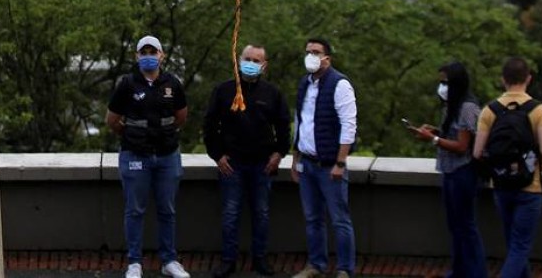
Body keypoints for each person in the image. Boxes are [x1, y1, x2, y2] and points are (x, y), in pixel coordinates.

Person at [202, 45, 292, 277]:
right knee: (231, 213)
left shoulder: (272, 93)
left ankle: (260, 259)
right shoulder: (223, 90)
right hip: (232, 164)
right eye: (247, 58)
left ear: (264, 65)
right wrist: (217, 155)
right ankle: (228, 261)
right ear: (238, 60)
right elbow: (209, 125)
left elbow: (284, 126)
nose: (250, 63)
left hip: (263, 165)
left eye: (256, 60)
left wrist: (279, 153)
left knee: (261, 213)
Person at [106, 36, 192, 278]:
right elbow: (112, 120)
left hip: (167, 156)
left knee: (167, 209)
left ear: (162, 55)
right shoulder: (127, 84)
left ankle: (169, 261)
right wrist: (133, 136)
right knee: (134, 210)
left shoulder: (172, 84)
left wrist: (163, 135)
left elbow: (181, 117)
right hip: (135, 156)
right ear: (136, 56)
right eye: (143, 52)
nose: (148, 56)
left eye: (152, 52)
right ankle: (134, 263)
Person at [473, 57, 542, 278]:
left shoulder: (489, 111)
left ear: (503, 80)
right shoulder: (539, 111)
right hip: (530, 187)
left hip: (501, 185)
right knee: (520, 247)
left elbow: (477, 152)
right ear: (528, 78)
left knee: (515, 246)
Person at [408, 62, 487, 278]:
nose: (441, 87)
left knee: (466, 226)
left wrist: (432, 139)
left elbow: (462, 146)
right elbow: (452, 134)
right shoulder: (451, 105)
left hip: (464, 172)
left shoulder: (467, 107)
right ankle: (459, 271)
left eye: (445, 82)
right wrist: (435, 131)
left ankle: (476, 273)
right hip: (449, 170)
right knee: (455, 226)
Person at [290, 38, 357, 278]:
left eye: (316, 52)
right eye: (308, 52)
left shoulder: (340, 85)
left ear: (327, 58)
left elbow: (349, 126)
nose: (310, 56)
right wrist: (295, 158)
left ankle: (344, 269)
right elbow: (301, 122)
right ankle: (316, 265)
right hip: (307, 163)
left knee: (340, 219)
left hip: (330, 165)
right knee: (312, 218)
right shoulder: (304, 84)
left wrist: (340, 163)